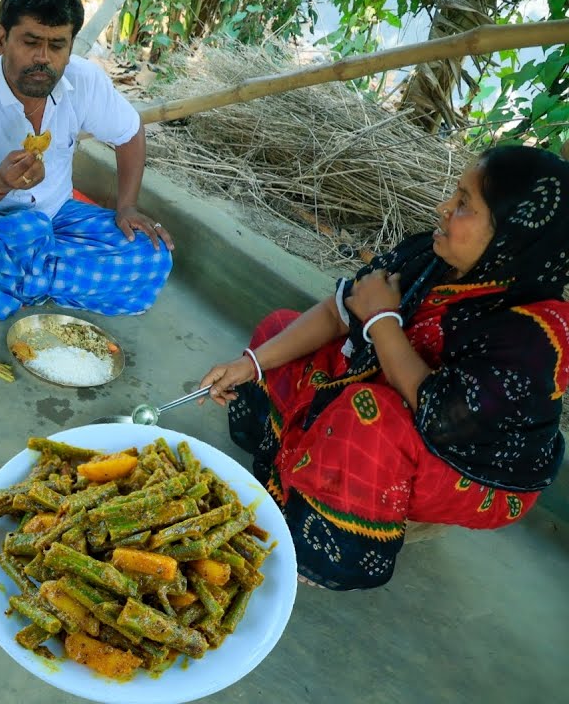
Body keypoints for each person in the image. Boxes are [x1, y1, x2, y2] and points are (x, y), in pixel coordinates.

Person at [198, 146, 569, 590]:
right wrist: (250, 364)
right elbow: (341, 311)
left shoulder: (537, 335)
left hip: (467, 465)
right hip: (397, 392)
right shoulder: (433, 257)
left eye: (465, 204)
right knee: (280, 329)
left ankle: (327, 541)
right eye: (455, 193)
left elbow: (443, 417)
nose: (444, 208)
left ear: (514, 234)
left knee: (366, 414)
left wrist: (382, 321)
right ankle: (293, 474)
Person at [0, 0, 173, 318]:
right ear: (1, 40)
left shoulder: (85, 81)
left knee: (151, 253)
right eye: (30, 42)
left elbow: (129, 133)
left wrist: (127, 206)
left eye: (56, 46)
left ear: (70, 49)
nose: (43, 58)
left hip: (59, 218)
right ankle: (21, 276)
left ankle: (1, 281)